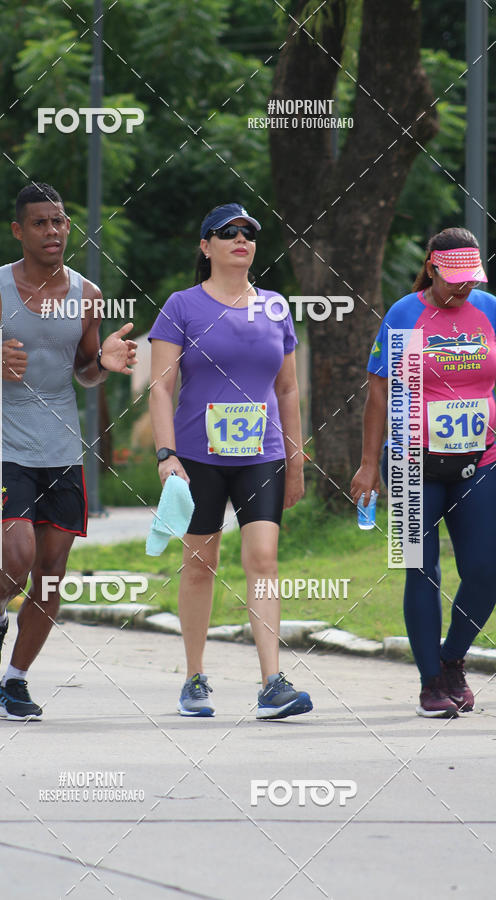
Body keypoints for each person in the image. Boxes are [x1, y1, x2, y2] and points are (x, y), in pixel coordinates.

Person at [0, 182, 137, 720]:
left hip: (62, 446)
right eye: (41, 222)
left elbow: (85, 371)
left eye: (60, 221)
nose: (53, 230)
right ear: (18, 231)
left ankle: (16, 682)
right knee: (17, 556)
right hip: (0, 442)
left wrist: (105, 365)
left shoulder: (88, 295)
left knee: (50, 575)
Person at [148, 203, 312, 719]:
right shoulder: (182, 306)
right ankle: (194, 678)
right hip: (198, 457)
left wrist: (296, 458)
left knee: (263, 559)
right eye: (227, 232)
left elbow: (288, 389)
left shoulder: (275, 308)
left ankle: (272, 683)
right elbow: (161, 387)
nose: (241, 239)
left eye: (249, 233)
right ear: (206, 246)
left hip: (262, 455)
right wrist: (166, 455)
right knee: (201, 564)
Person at [351, 227, 496, 718]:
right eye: (454, 277)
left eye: (471, 277)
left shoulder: (489, 310)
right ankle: (431, 683)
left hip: (481, 460)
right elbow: (377, 393)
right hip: (411, 465)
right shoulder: (404, 314)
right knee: (420, 571)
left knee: (486, 570)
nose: (464, 286)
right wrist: (368, 465)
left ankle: (452, 658)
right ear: (432, 267)